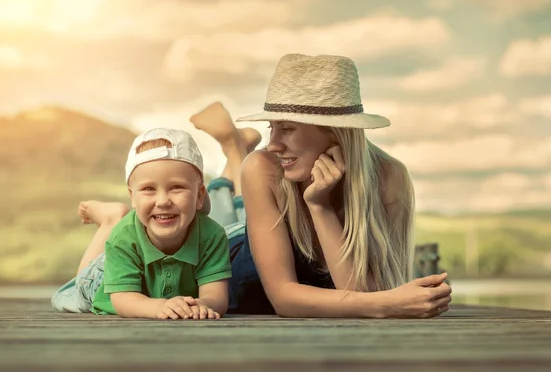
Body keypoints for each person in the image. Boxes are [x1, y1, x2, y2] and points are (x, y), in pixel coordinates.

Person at [191, 53, 452, 318]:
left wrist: (320, 207)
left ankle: (236, 149)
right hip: (236, 256)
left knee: (244, 198)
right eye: (272, 127)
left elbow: (364, 293)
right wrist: (387, 304)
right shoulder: (261, 166)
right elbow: (284, 299)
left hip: (269, 213)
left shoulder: (390, 178)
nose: (273, 144)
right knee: (225, 212)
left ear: (334, 130)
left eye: (288, 129)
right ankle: (234, 150)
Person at [51, 128, 232, 319]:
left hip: (139, 266)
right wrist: (158, 307)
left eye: (176, 187)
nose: (162, 201)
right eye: (148, 189)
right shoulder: (123, 238)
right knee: (82, 282)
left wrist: (201, 305)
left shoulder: (212, 235)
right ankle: (111, 220)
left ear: (200, 195)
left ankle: (116, 216)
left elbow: (217, 295)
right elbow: (122, 299)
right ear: (133, 197)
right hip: (104, 281)